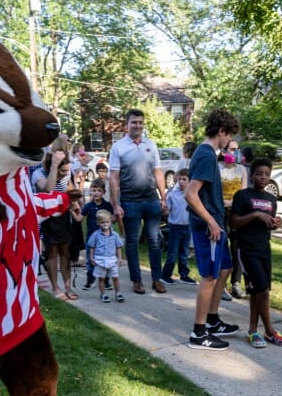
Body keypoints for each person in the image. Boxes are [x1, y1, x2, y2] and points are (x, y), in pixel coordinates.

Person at [184, 108, 242, 351]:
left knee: (226, 268)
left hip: (216, 223)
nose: (229, 142)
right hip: (209, 227)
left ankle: (213, 319)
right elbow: (190, 194)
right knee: (209, 276)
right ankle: (199, 333)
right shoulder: (207, 155)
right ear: (221, 131)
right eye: (229, 136)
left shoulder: (205, 152)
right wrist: (211, 221)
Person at [230, 158, 282, 348]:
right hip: (246, 249)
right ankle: (271, 331)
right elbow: (233, 222)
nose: (263, 177)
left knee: (258, 291)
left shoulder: (271, 199)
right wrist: (255, 214)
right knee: (263, 290)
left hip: (264, 248)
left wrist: (276, 223)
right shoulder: (242, 195)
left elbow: (267, 225)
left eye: (267, 174)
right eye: (259, 173)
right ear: (252, 175)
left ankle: (253, 331)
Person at [108, 109, 169, 295]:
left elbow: (158, 172)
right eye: (134, 122)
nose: (137, 126)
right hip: (130, 201)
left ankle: (156, 279)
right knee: (132, 242)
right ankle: (136, 280)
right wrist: (115, 204)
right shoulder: (118, 147)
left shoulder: (151, 145)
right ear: (127, 124)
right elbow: (114, 178)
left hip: (151, 200)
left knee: (154, 241)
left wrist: (163, 197)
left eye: (140, 122)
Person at [35, 152, 81, 300]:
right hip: (47, 217)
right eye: (63, 170)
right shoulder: (39, 174)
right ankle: (55, 287)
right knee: (52, 253)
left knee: (65, 253)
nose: (65, 174)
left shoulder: (66, 175)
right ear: (52, 167)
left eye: (67, 170)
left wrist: (75, 204)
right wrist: (55, 166)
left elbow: (70, 191)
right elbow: (48, 189)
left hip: (63, 217)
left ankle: (68, 287)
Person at [219, 140, 248, 301]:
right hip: (221, 213)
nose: (235, 153)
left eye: (237, 149)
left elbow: (243, 193)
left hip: (236, 213)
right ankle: (221, 285)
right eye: (232, 149)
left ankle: (236, 282)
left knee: (238, 248)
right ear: (223, 152)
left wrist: (234, 205)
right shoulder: (218, 169)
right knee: (222, 247)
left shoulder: (242, 170)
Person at [160, 169, 197, 285]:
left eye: (184, 179)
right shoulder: (172, 194)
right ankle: (165, 275)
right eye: (179, 179)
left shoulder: (192, 194)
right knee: (172, 253)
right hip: (175, 227)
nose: (181, 182)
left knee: (184, 252)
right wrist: (164, 209)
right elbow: (167, 210)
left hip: (187, 226)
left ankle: (184, 274)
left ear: (189, 181)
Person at [87, 209, 125, 303]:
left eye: (107, 222)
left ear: (111, 222)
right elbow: (92, 246)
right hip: (100, 260)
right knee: (101, 278)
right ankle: (103, 294)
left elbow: (118, 247)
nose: (105, 224)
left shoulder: (115, 235)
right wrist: (91, 257)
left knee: (115, 277)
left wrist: (119, 258)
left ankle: (118, 293)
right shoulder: (96, 235)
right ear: (98, 223)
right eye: (102, 222)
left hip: (112, 260)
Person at [81, 178, 113, 290]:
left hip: (105, 238)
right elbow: (79, 218)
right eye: (94, 190)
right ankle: (90, 281)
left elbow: (112, 220)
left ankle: (106, 281)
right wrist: (73, 210)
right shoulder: (88, 206)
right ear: (90, 191)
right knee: (90, 261)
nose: (96, 193)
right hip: (91, 238)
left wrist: (118, 217)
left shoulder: (107, 206)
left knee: (105, 260)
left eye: (99, 190)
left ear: (104, 192)